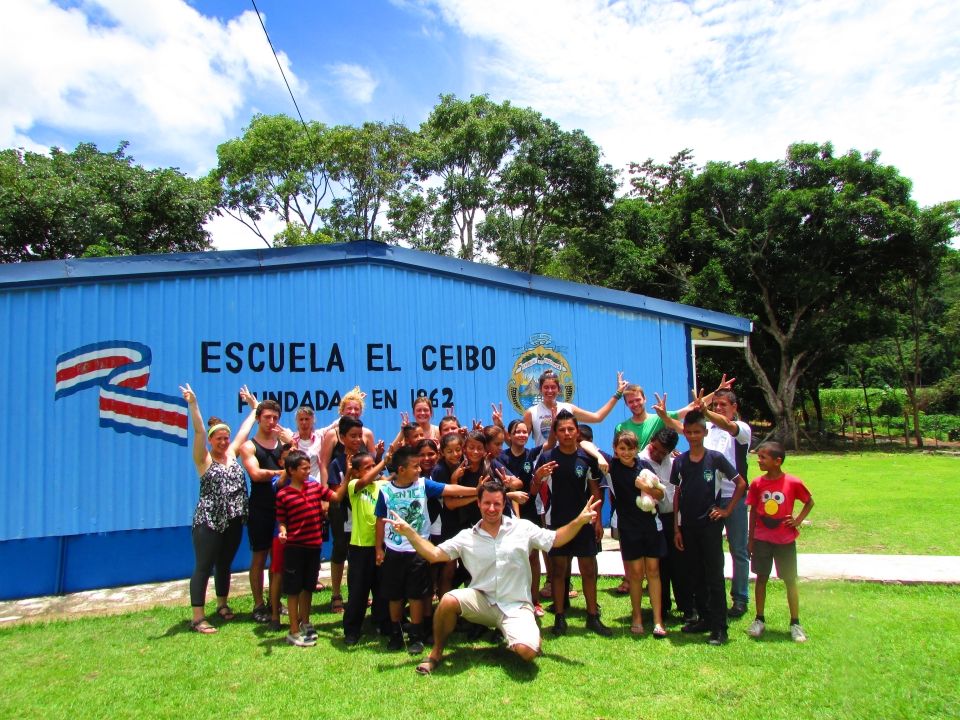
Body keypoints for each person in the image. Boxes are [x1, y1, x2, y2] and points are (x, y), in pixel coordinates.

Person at [384, 479, 603, 675]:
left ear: (503, 504)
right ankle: (436, 653)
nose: (491, 508)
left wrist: (579, 521)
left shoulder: (522, 528)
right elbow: (433, 554)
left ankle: (523, 635)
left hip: (516, 605)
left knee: (527, 653)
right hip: (482, 601)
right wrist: (410, 534)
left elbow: (556, 539)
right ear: (478, 503)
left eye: (497, 504)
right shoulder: (466, 537)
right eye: (487, 503)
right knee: (448, 600)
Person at [374, 446, 481, 654]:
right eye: (415, 466)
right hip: (394, 551)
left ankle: (416, 635)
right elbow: (379, 520)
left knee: (416, 595)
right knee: (394, 596)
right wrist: (379, 548)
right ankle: (396, 634)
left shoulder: (423, 485)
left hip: (418, 550)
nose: (419, 470)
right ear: (401, 469)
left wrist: (478, 491)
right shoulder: (385, 491)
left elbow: (449, 490)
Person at [180, 383, 259, 634]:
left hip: (234, 519)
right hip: (209, 521)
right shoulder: (203, 460)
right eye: (219, 438)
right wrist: (193, 404)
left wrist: (254, 407)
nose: (224, 442)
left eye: (226, 437)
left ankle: (222, 604)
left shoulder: (233, 455)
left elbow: (246, 430)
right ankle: (197, 616)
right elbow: (199, 431)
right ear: (212, 441)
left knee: (224, 563)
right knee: (204, 565)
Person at [671, 411, 746, 645]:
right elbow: (677, 495)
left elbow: (741, 483)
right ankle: (703, 618)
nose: (693, 436)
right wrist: (677, 528)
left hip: (710, 526)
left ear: (705, 432)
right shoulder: (680, 461)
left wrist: (726, 510)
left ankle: (719, 628)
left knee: (714, 577)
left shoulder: (715, 458)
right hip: (688, 527)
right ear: (684, 433)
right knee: (696, 576)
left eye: (697, 432)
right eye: (689, 432)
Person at [535, 410, 610, 637]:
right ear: (555, 433)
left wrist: (596, 521)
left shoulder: (587, 458)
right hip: (557, 522)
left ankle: (592, 616)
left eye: (571, 429)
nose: (567, 433)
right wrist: (538, 477)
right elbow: (535, 490)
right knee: (558, 571)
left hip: (584, 522)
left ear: (577, 432)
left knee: (588, 569)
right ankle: (559, 618)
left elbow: (595, 490)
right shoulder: (547, 457)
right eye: (562, 430)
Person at [745, 442, 814, 643]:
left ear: (777, 461)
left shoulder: (792, 482)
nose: (759, 460)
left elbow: (809, 501)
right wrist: (750, 540)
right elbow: (753, 512)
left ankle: (795, 622)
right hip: (762, 540)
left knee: (790, 580)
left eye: (763, 457)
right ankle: (759, 619)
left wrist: (797, 520)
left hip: (785, 540)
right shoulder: (757, 483)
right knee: (761, 578)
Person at [275, 450, 342, 647]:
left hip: (314, 546)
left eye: (308, 467)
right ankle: (293, 629)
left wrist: (347, 477)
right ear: (291, 471)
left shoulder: (314, 488)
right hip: (295, 548)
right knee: (293, 590)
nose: (307, 471)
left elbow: (336, 496)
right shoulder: (283, 494)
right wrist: (283, 532)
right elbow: (281, 520)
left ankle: (306, 621)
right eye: (303, 468)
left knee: (308, 587)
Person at [608, 430, 668, 637]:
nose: (626, 452)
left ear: (637, 449)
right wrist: (599, 457)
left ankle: (658, 620)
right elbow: (587, 445)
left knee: (653, 572)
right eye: (622, 448)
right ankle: (637, 617)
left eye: (630, 448)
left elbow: (661, 493)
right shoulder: (612, 467)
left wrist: (646, 488)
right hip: (629, 528)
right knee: (635, 575)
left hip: (651, 526)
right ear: (615, 449)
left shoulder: (645, 466)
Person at [700, 388, 753, 618]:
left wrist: (707, 412)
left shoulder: (742, 430)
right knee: (711, 550)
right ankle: (714, 596)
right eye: (715, 405)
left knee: (738, 550)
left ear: (734, 408)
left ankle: (740, 598)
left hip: (735, 497)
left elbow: (728, 426)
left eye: (723, 405)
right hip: (711, 496)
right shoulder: (709, 430)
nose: (718, 408)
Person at [238, 398, 289, 623]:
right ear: (258, 418)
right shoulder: (249, 446)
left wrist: (292, 444)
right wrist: (280, 472)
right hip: (260, 508)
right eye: (267, 417)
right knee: (259, 557)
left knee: (277, 558)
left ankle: (275, 600)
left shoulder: (283, 443)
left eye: (275, 418)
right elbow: (256, 475)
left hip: (282, 510)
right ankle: (259, 605)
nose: (271, 421)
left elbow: (298, 465)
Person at [638, 428, 690, 622]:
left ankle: (686, 606)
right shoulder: (640, 461)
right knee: (658, 567)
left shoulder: (675, 460)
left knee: (680, 565)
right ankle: (662, 607)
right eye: (656, 449)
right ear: (651, 440)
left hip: (675, 518)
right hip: (654, 519)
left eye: (664, 452)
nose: (658, 454)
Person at [325, 414, 368, 613]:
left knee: (358, 555)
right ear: (342, 437)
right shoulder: (336, 463)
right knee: (340, 551)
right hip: (343, 515)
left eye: (360, 435)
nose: (357, 439)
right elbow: (336, 494)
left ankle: (357, 593)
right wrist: (349, 474)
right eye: (353, 435)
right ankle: (336, 594)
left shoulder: (366, 459)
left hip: (363, 515)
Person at [524, 369, 627, 446]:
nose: (550, 391)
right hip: (543, 465)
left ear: (559, 389)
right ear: (540, 390)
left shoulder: (568, 408)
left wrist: (618, 394)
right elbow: (518, 441)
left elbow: (598, 417)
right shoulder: (531, 412)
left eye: (553, 387)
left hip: (567, 463)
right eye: (546, 387)